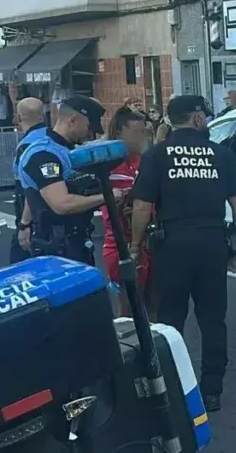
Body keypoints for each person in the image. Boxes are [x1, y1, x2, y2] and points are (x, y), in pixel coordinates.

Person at [129, 95, 236, 412]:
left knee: (170, 319)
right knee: (212, 319)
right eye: (205, 116)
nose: (207, 121)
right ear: (196, 118)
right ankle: (212, 390)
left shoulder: (156, 155)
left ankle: (174, 386)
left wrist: (136, 245)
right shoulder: (221, 154)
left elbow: (141, 206)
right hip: (212, 243)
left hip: (172, 244)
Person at [16, 95, 116, 264]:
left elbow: (36, 191)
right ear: (72, 120)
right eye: (88, 127)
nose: (90, 134)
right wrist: (108, 196)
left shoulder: (66, 149)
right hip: (56, 248)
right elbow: (62, 204)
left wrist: (25, 223)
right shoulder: (44, 154)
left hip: (76, 240)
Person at [101, 107, 153, 317]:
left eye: (144, 131)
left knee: (153, 306)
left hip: (150, 243)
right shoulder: (110, 167)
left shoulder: (146, 161)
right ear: (120, 132)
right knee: (129, 310)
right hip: (121, 244)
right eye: (137, 131)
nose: (142, 137)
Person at [9, 97, 47, 264]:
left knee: (18, 265)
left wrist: (25, 224)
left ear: (18, 118)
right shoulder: (53, 137)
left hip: (33, 216)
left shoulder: (26, 146)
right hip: (56, 214)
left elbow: (29, 189)